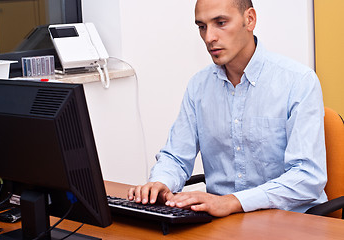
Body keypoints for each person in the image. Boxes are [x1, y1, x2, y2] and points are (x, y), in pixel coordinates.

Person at [128, 0, 327, 217]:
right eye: (202, 27)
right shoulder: (199, 85)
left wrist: (233, 202)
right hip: (222, 222)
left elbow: (307, 177)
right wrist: (160, 182)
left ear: (249, 19)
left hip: (289, 220)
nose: (209, 37)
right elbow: (176, 156)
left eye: (220, 23)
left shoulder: (298, 82)